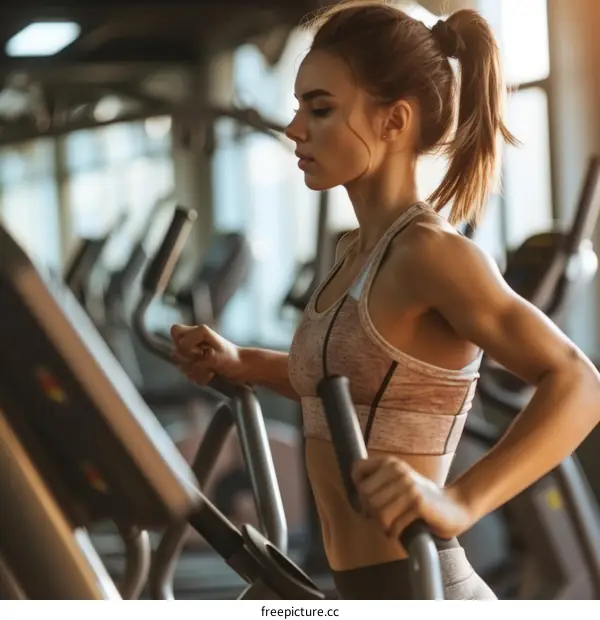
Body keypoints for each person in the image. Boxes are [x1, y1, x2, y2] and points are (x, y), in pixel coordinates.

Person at [170, 0, 600, 600]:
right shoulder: (353, 252)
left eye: (320, 109)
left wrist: (460, 502)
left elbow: (579, 384)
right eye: (299, 108)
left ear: (394, 122)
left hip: (426, 590)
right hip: (360, 591)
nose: (295, 129)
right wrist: (242, 362)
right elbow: (348, 387)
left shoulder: (431, 254)